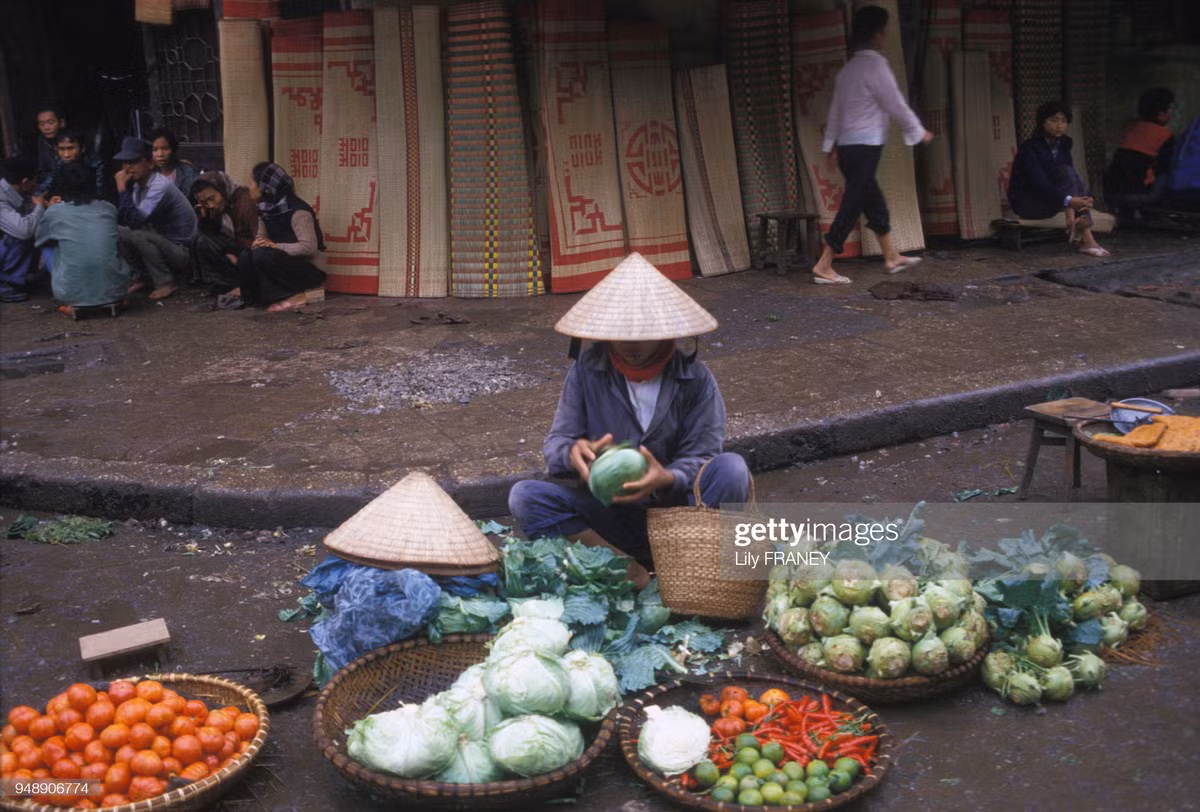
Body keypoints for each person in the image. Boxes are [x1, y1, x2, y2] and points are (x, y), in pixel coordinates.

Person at [507, 252, 752, 588]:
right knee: (525, 496)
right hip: (612, 516)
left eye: (643, 334)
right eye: (620, 334)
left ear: (668, 331)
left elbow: (704, 456)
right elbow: (557, 444)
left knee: (731, 469)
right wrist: (572, 453)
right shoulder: (585, 372)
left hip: (678, 514)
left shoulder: (696, 379)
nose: (631, 345)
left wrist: (667, 477)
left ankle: (693, 563)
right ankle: (622, 566)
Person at [810, 4, 934, 285]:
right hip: (866, 146)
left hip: (848, 149)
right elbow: (895, 104)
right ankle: (825, 263)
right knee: (853, 203)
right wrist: (917, 131)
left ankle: (891, 255)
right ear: (878, 34)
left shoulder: (849, 70)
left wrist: (830, 145)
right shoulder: (876, 66)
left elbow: (835, 112)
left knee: (872, 199)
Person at [1008, 101, 1109, 257]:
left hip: (1054, 201)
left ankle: (1074, 224)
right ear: (1042, 122)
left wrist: (1075, 201)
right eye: (1054, 120)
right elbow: (1038, 183)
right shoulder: (1029, 148)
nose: (1059, 125)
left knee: (1068, 171)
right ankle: (1086, 238)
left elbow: (1068, 177)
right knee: (1068, 177)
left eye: (1063, 121)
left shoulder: (1064, 144)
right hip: (1029, 202)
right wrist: (1069, 201)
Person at [35, 162, 130, 313]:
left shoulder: (55, 212)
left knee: (48, 245)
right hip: (116, 291)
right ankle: (110, 293)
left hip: (70, 294)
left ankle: (73, 295)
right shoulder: (108, 208)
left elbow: (40, 239)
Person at [233, 161, 325, 312]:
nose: (249, 186)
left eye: (252, 182)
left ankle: (291, 294)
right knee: (247, 256)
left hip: (308, 269)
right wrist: (258, 243)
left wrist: (275, 246)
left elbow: (309, 247)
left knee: (262, 255)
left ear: (264, 186)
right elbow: (261, 237)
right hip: (283, 260)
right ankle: (253, 298)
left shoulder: (298, 211)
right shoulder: (264, 209)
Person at [114, 136, 197, 300]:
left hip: (183, 251)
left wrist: (122, 189)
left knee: (139, 235)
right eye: (125, 163)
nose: (128, 168)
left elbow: (137, 220)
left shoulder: (160, 185)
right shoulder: (139, 186)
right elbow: (126, 220)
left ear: (150, 163)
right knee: (117, 231)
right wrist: (125, 191)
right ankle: (142, 277)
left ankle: (166, 283)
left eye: (134, 162)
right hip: (163, 243)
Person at [1104, 87, 1176, 221]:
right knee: (1167, 174)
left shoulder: (1133, 129)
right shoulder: (1165, 135)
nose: (1172, 113)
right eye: (1170, 109)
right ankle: (1152, 212)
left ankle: (1127, 213)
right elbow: (1165, 165)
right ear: (1161, 113)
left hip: (1111, 193)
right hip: (1142, 196)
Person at [190, 170, 259, 294]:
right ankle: (218, 283)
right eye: (204, 202)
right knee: (200, 240)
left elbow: (260, 241)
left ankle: (246, 285)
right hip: (237, 246)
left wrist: (238, 257)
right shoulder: (216, 207)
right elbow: (211, 233)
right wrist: (206, 217)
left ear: (222, 190)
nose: (210, 205)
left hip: (252, 252)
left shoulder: (245, 202)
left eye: (212, 198)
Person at [0, 156, 46, 303]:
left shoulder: (11, 190)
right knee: (21, 233)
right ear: (25, 182)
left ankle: (16, 278)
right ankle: (6, 283)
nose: (36, 183)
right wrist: (39, 207)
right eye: (35, 179)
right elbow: (23, 231)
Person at [38, 129, 107, 201]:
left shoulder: (95, 164)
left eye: (70, 148)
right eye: (61, 149)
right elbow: (49, 184)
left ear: (82, 148)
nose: (66, 154)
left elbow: (101, 193)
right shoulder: (59, 161)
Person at [150, 127, 200, 198]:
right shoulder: (147, 174)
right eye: (155, 150)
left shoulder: (188, 173)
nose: (160, 154)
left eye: (165, 148)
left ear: (173, 149)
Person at [31, 106, 66, 197]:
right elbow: (43, 169)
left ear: (61, 123)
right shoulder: (42, 141)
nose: (46, 127)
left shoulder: (71, 140)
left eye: (50, 122)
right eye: (41, 124)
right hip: (53, 186)